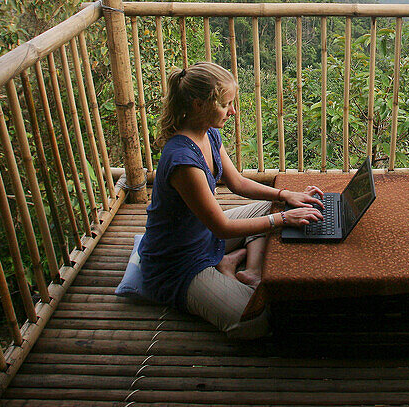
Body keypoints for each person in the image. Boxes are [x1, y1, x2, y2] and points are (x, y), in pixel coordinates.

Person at [139, 61, 324, 338]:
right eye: (226, 104)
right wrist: (283, 219)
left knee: (274, 207)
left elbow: (237, 182)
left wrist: (285, 196)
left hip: (204, 235)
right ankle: (228, 271)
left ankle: (245, 269)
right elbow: (222, 228)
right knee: (256, 319)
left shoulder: (209, 133)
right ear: (200, 104)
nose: (233, 111)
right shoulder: (182, 161)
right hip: (180, 262)